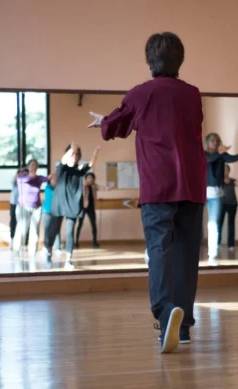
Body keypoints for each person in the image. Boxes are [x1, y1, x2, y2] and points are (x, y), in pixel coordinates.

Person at [87, 31, 206, 353]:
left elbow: (117, 125)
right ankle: (182, 327)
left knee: (160, 253)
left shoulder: (141, 93)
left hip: (158, 186)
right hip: (192, 186)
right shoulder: (193, 94)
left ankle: (167, 315)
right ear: (180, 60)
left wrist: (104, 121)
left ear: (149, 60)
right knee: (186, 256)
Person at [48, 143, 101, 269]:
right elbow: (63, 160)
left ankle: (68, 259)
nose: (75, 156)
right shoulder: (62, 168)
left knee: (70, 232)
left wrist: (96, 153)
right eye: (73, 154)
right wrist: (71, 149)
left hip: (73, 204)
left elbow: (91, 164)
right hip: (60, 203)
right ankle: (48, 251)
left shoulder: (79, 170)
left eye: (77, 154)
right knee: (53, 230)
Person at [204, 133, 238, 265]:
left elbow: (232, 158)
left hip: (217, 193)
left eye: (217, 141)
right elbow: (209, 159)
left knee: (213, 224)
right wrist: (219, 152)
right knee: (194, 222)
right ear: (207, 143)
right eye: (212, 140)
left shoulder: (221, 155)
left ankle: (212, 256)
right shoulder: (204, 154)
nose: (214, 142)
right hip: (202, 192)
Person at [13, 159, 49, 255]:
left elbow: (47, 179)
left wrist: (52, 176)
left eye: (36, 165)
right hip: (23, 207)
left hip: (36, 207)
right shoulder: (21, 177)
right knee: (22, 229)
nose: (34, 166)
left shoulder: (39, 178)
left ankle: (33, 251)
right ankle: (17, 249)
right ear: (28, 167)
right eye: (32, 165)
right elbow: (28, 179)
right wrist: (31, 175)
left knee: (34, 230)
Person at [217, 164, 238, 251]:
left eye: (226, 169)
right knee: (219, 224)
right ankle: (217, 243)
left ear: (229, 171)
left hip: (232, 204)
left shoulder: (233, 181)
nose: (225, 171)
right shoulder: (219, 180)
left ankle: (231, 245)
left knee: (231, 224)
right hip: (222, 204)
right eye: (224, 169)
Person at [75, 172, 101, 248]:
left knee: (94, 225)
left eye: (92, 178)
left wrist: (110, 187)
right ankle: (75, 242)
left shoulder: (94, 186)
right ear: (86, 179)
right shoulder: (82, 186)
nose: (90, 179)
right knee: (79, 225)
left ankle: (95, 242)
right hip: (83, 208)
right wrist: (84, 186)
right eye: (89, 178)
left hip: (91, 208)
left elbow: (103, 188)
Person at [41, 171, 61, 256]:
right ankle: (46, 246)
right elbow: (53, 194)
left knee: (56, 230)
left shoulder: (60, 188)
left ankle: (57, 247)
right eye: (53, 179)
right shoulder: (47, 187)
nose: (55, 180)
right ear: (50, 180)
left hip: (57, 212)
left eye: (57, 179)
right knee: (47, 230)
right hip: (47, 212)